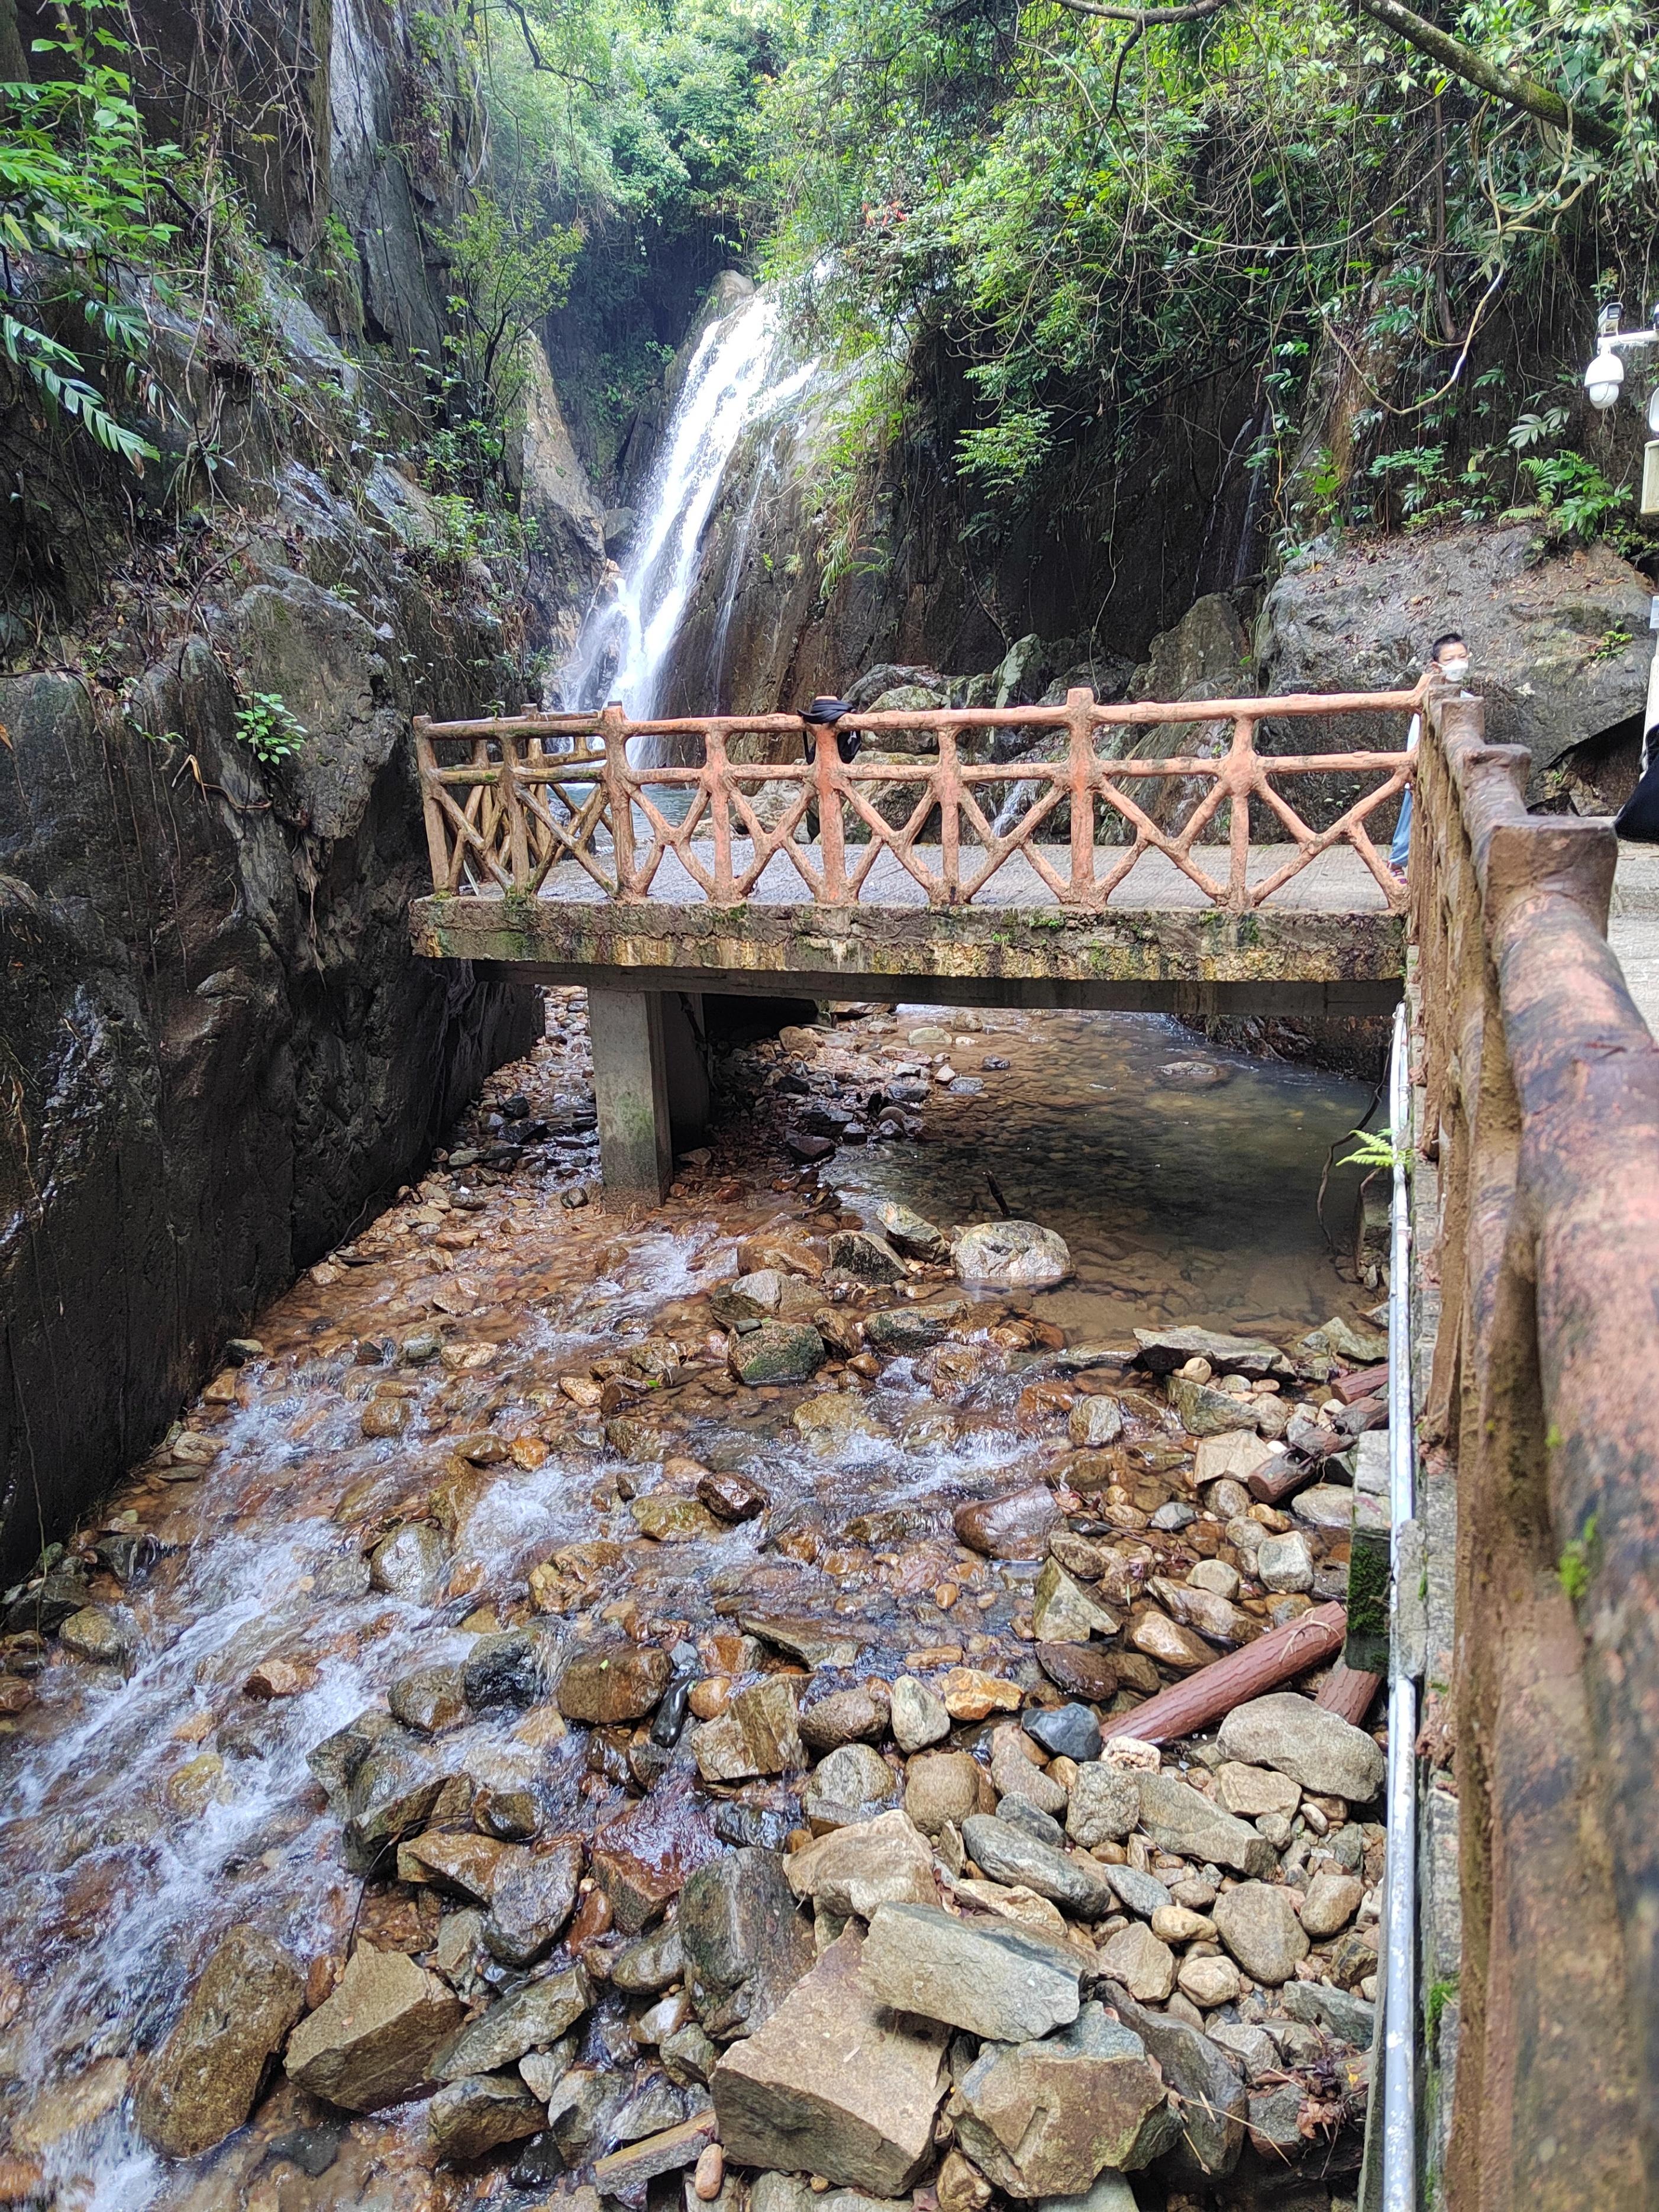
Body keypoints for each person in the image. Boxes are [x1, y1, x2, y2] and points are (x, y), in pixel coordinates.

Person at [1390, 632, 1471, 878]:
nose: (1457, 663)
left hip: (1453, 769)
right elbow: (1416, 738)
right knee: (1411, 817)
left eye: (1462, 657)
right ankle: (1396, 862)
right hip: (1425, 769)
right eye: (1450, 659)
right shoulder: (1426, 698)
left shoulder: (1468, 699)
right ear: (1436, 666)